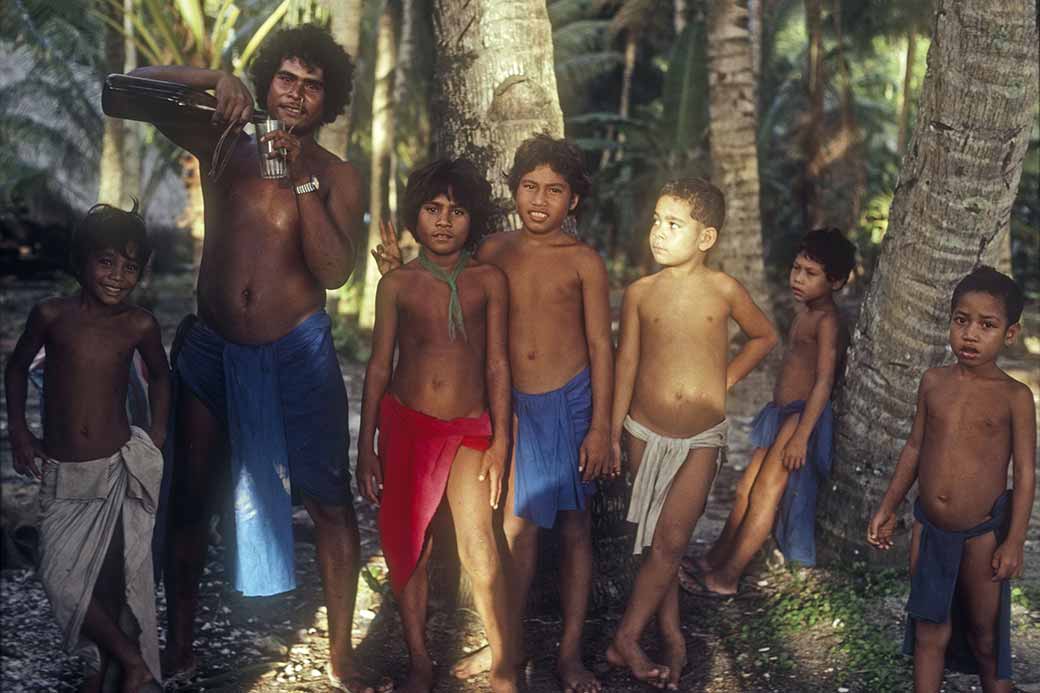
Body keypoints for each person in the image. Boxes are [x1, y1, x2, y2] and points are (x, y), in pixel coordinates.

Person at [126, 24, 372, 692]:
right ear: (268, 80)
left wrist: (301, 181)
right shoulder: (224, 139)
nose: (295, 93)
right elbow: (129, 90)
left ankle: (343, 656)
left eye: (312, 85)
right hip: (212, 350)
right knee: (190, 496)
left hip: (298, 351)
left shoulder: (336, 174)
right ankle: (180, 645)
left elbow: (335, 271)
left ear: (328, 100)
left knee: (328, 500)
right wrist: (214, 80)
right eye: (285, 78)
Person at [373, 134, 614, 693]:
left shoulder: (583, 261)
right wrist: (396, 270)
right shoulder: (493, 252)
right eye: (529, 186)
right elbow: (445, 297)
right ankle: (510, 645)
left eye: (554, 190)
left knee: (575, 528)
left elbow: (602, 345)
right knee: (512, 528)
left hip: (569, 401)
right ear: (513, 191)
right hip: (508, 409)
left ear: (574, 200)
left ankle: (570, 655)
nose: (540, 200)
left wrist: (602, 425)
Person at [605, 179, 778, 689]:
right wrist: (612, 433)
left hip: (701, 437)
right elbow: (626, 363)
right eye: (656, 221)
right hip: (644, 432)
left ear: (706, 237)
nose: (658, 232)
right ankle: (671, 633)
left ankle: (626, 638)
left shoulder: (723, 289)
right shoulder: (640, 293)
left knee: (673, 538)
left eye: (673, 224)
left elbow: (764, 336)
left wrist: (723, 379)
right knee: (661, 542)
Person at [356, 158, 515, 693]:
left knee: (478, 544)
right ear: (415, 215)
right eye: (433, 209)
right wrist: (366, 446)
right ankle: (420, 661)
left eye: (457, 211)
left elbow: (497, 364)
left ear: (474, 219)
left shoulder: (488, 281)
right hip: (406, 426)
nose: (445, 221)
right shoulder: (397, 284)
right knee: (410, 547)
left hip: (469, 430)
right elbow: (379, 367)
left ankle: (503, 664)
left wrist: (501, 441)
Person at [4, 204, 171, 693]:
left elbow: (162, 377)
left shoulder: (139, 325)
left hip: (115, 468)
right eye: (106, 262)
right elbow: (16, 368)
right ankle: (131, 659)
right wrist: (19, 431)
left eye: (130, 266)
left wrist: (157, 433)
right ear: (80, 261)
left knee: (108, 576)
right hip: (62, 472)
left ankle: (107, 668)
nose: (118, 276)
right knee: (59, 576)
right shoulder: (51, 315)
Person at [867, 266, 1035, 693]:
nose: (970, 334)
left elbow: (1025, 474)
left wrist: (1014, 541)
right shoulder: (934, 382)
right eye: (961, 320)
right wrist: (888, 506)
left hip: (981, 536)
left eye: (987, 325)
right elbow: (914, 448)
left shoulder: (1015, 397)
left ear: (1010, 334)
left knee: (984, 637)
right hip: (929, 529)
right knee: (929, 631)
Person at [684, 228, 856, 595]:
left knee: (766, 493)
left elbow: (824, 382)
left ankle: (728, 577)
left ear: (837, 281)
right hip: (781, 414)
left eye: (810, 273)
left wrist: (801, 436)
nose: (798, 278)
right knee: (745, 489)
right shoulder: (805, 313)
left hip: (800, 418)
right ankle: (715, 558)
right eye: (796, 269)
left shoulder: (828, 322)